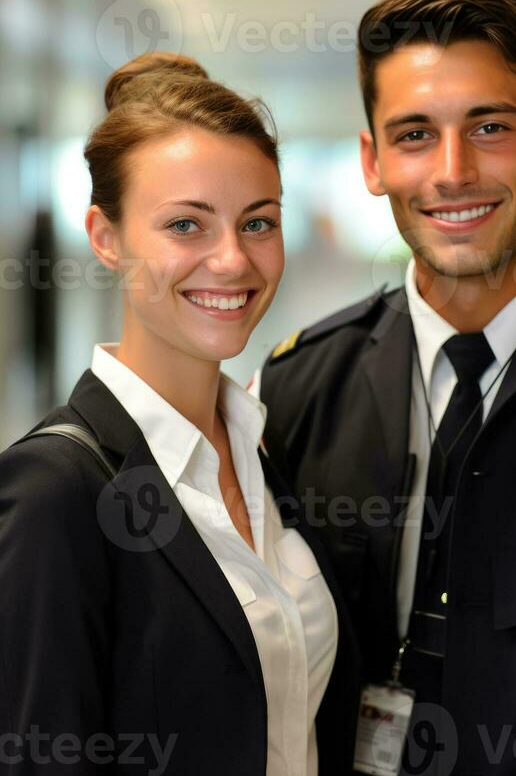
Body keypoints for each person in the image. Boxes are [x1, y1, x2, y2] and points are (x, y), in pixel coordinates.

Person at [258, 0, 516, 774]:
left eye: (491, 127)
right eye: (414, 134)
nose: (453, 171)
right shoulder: (304, 386)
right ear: (373, 161)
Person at [0, 53, 359, 776]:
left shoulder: (264, 446)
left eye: (258, 223)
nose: (232, 261)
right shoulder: (55, 492)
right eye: (186, 226)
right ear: (105, 237)